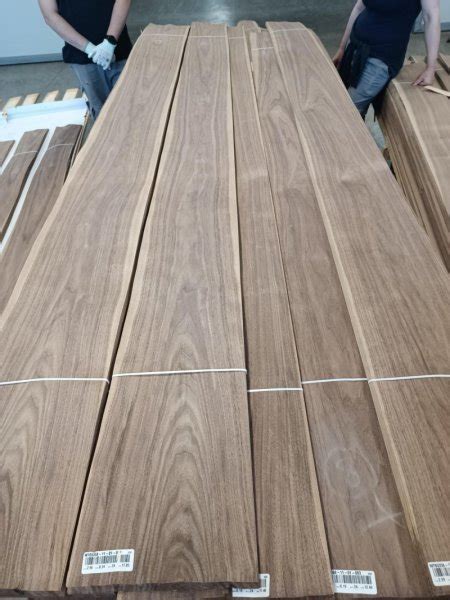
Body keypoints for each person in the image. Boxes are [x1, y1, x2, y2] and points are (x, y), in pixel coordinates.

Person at [333, 0, 440, 117]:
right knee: (342, 101)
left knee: (345, 113)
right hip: (355, 48)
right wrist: (342, 47)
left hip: (381, 59)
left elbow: (431, 17)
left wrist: (431, 68)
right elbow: (359, 7)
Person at [39, 0, 133, 120]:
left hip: (119, 49)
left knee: (131, 106)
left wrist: (110, 42)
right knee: (101, 114)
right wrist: (89, 48)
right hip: (82, 57)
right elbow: (50, 15)